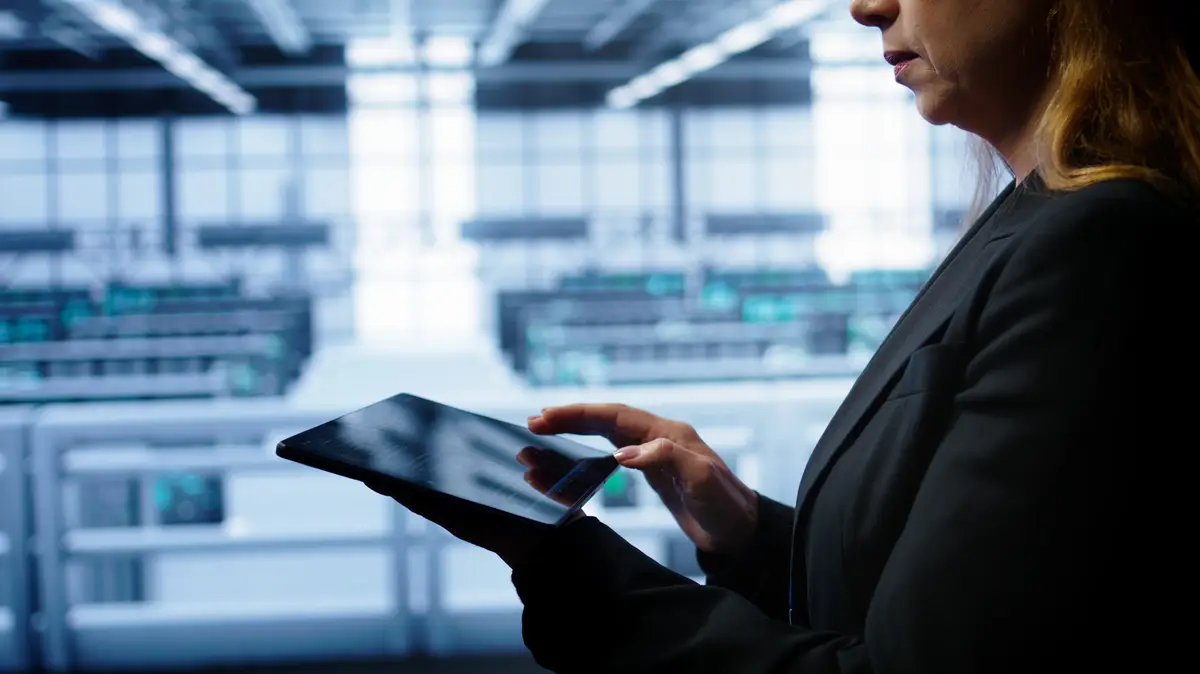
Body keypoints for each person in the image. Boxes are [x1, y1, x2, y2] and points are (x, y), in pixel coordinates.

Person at [371, 0, 1195, 671]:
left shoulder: (1099, 246)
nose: (868, 7)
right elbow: (964, 590)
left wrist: (563, 562)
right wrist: (751, 534)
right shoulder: (1032, 221)